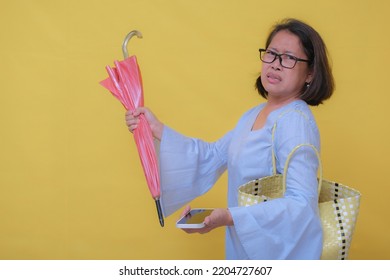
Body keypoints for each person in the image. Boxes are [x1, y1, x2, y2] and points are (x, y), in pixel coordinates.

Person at [125, 18, 334, 259]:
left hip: (279, 256)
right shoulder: (253, 115)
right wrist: (156, 128)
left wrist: (231, 216)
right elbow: (212, 156)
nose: (275, 65)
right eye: (272, 54)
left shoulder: (295, 121)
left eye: (289, 58)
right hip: (246, 249)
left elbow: (301, 204)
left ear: (310, 73)